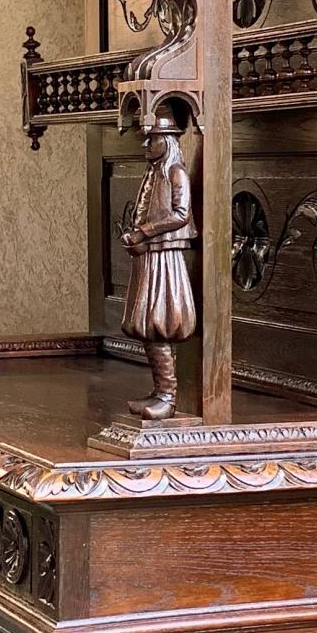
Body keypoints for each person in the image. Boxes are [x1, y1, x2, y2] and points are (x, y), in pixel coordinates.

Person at [120, 112, 198, 417]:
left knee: (159, 322)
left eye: (152, 138)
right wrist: (134, 233)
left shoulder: (176, 172)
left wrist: (146, 231)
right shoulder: (154, 173)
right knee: (144, 324)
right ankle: (158, 390)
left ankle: (168, 396)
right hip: (149, 254)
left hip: (166, 255)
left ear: (166, 142)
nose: (145, 144)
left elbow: (181, 214)